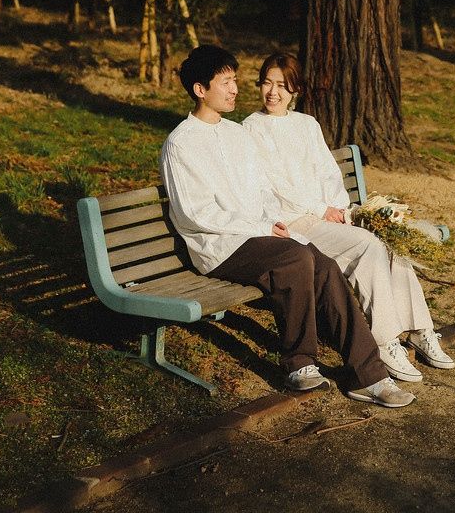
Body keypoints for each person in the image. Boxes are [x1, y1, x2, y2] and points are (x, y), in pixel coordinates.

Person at [160, 44, 415, 407]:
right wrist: (259, 227)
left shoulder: (235, 134)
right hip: (218, 246)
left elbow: (262, 190)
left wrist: (270, 221)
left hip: (259, 235)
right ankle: (299, 364)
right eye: (226, 82)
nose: (235, 89)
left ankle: (369, 375)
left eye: (235, 80)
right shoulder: (181, 143)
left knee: (324, 265)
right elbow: (195, 213)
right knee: (296, 259)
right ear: (200, 89)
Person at [243, 52, 455, 383]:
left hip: (326, 217)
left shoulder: (306, 124)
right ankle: (384, 341)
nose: (273, 92)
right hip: (295, 222)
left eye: (282, 85)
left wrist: (341, 209)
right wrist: (320, 209)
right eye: (267, 83)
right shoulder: (250, 129)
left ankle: (419, 329)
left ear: (296, 89)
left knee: (389, 240)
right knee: (368, 246)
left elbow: (327, 171)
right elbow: (273, 185)